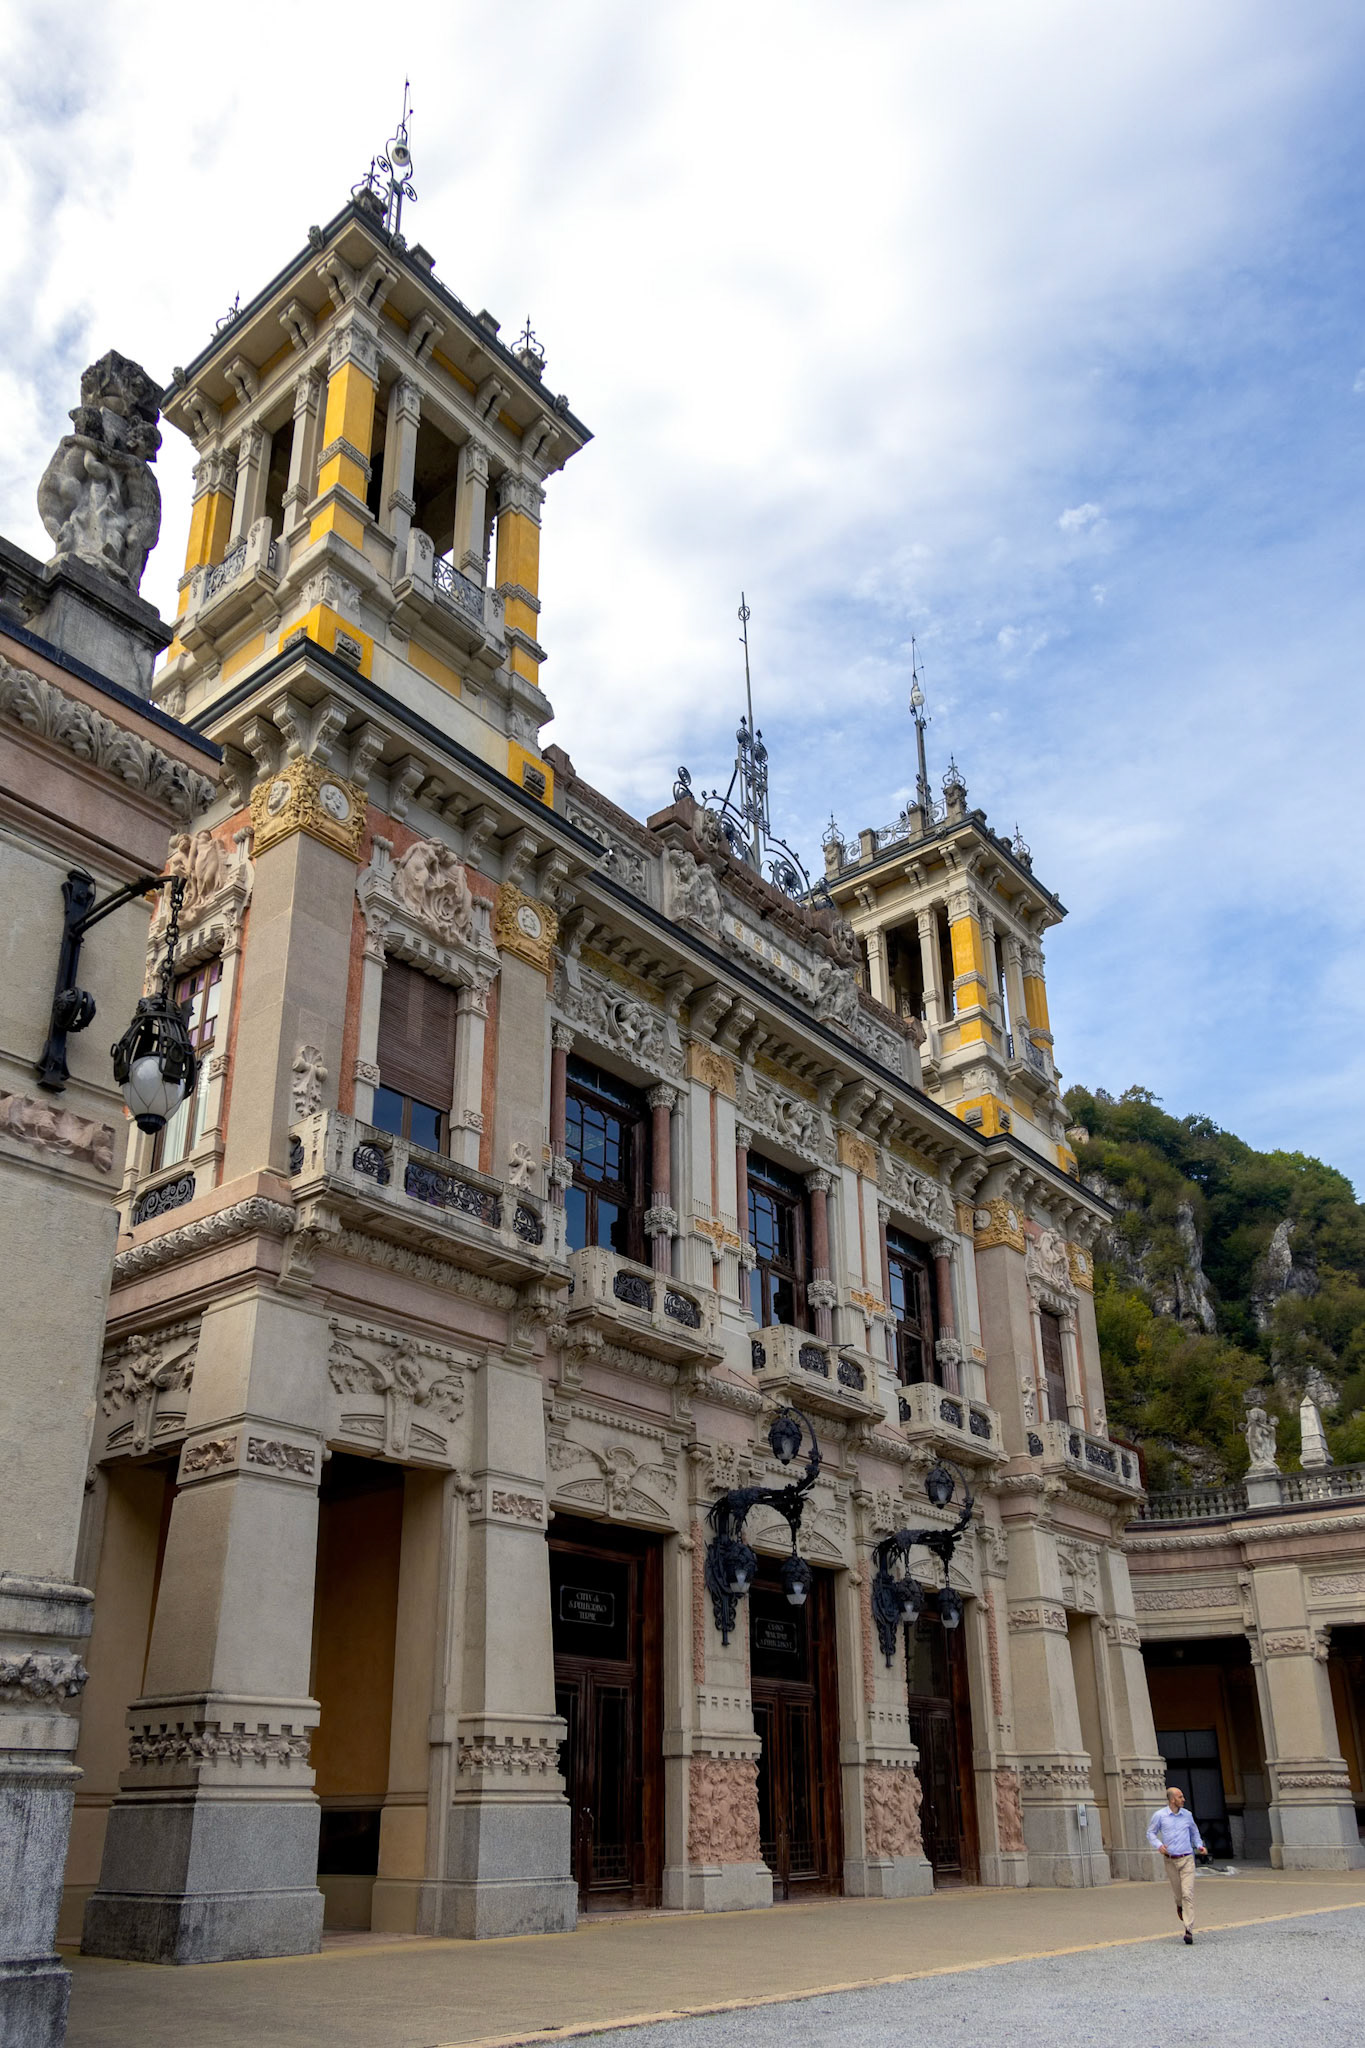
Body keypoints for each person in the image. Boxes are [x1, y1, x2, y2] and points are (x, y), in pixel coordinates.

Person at [1147, 1786, 1207, 1943]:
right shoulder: (1159, 1816)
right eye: (1180, 1797)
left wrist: (1199, 1845)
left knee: (1188, 1893)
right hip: (1170, 1860)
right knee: (1179, 1894)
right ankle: (1179, 1905)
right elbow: (1150, 1833)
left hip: (1187, 1858)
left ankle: (1188, 1929)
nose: (1183, 1799)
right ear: (1172, 1799)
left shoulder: (1187, 1815)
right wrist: (1159, 1845)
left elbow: (1194, 1833)